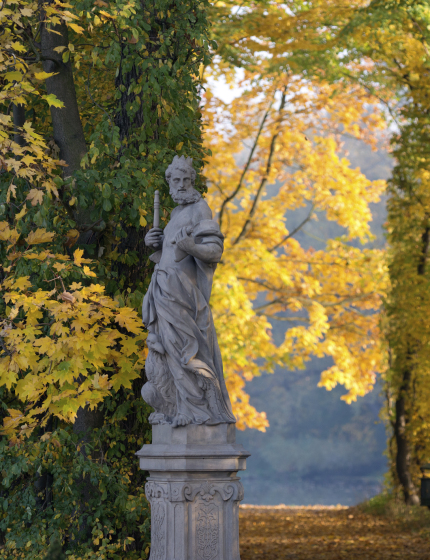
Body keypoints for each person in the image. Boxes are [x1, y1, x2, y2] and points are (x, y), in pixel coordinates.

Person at [141, 156, 236, 427]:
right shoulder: (174, 214)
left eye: (186, 180)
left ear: (192, 182)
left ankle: (198, 411)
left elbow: (214, 251)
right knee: (168, 351)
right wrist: (154, 243)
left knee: (184, 351)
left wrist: (192, 247)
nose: (181, 185)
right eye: (175, 180)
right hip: (164, 291)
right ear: (169, 183)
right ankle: (177, 406)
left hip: (183, 296)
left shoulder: (200, 209)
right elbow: (169, 254)